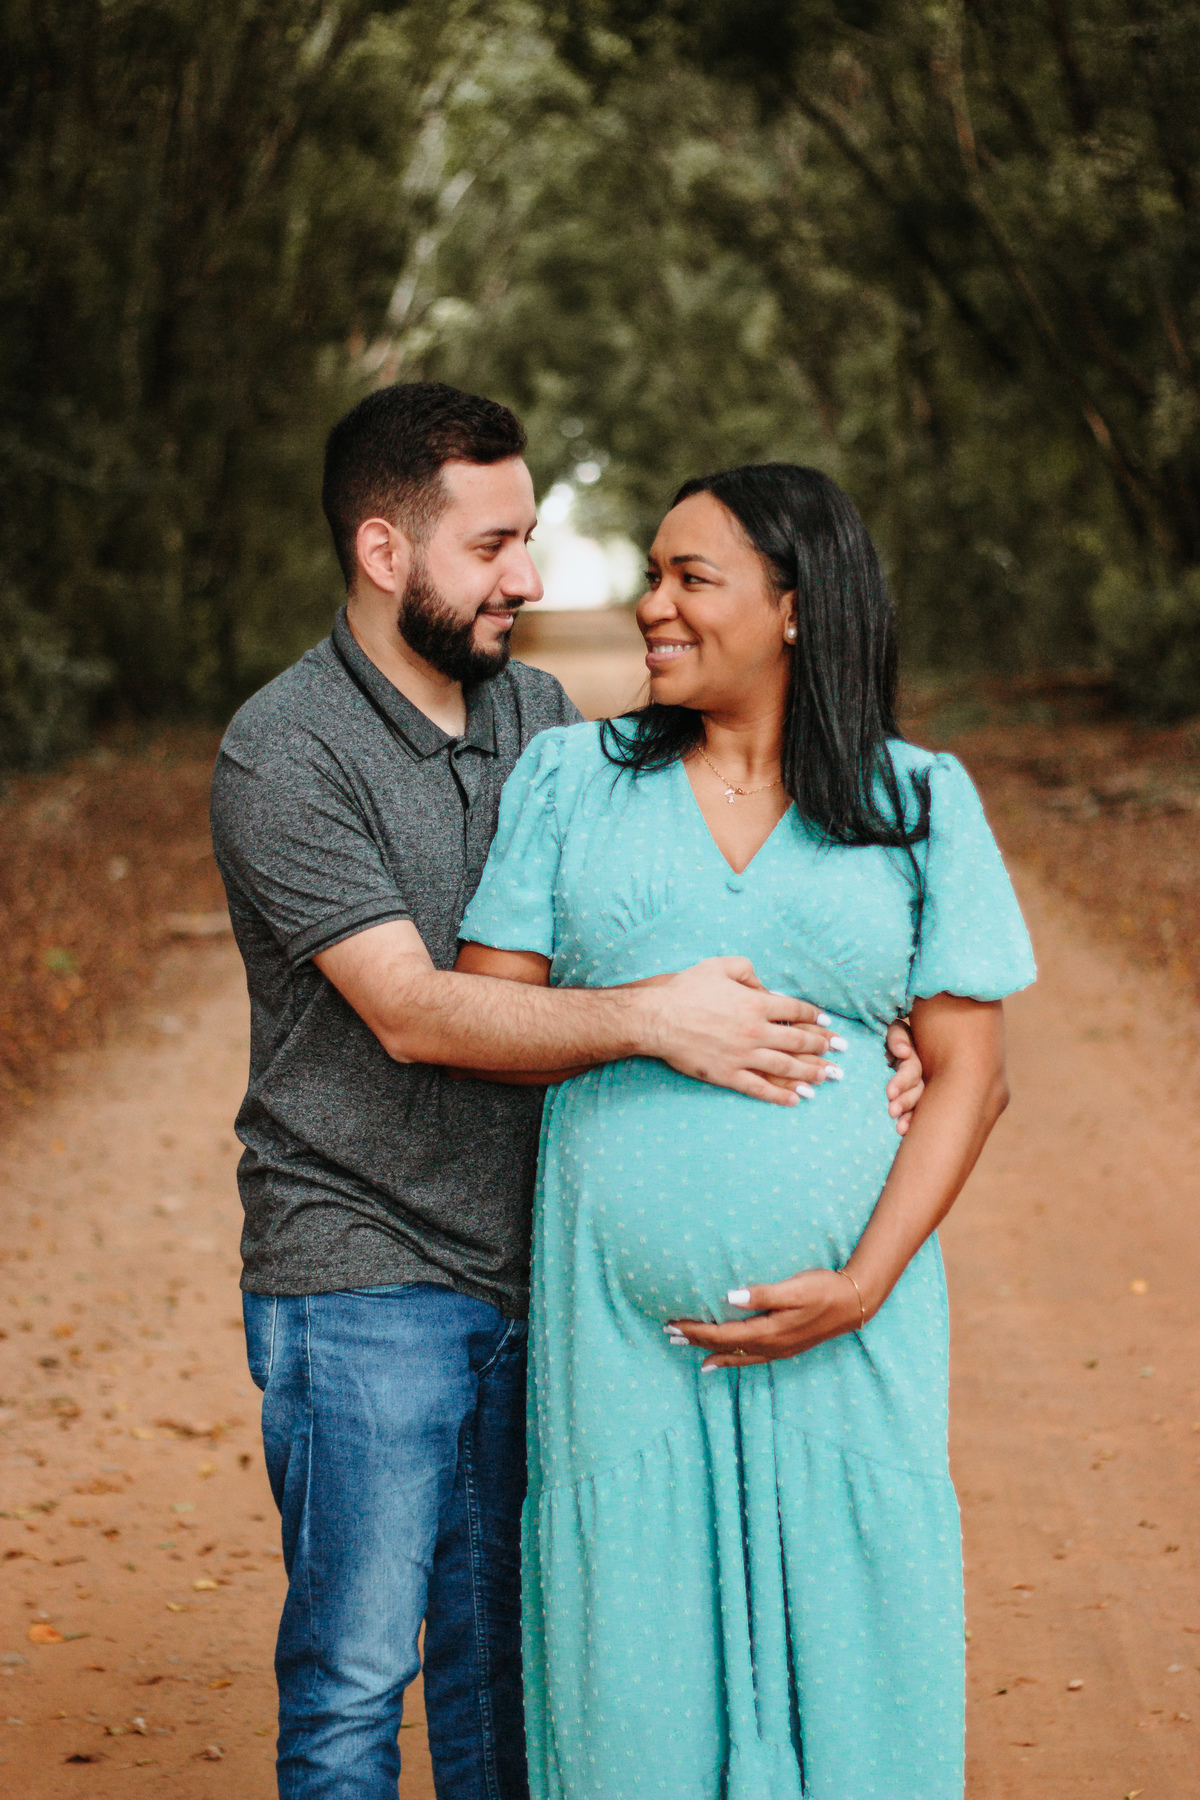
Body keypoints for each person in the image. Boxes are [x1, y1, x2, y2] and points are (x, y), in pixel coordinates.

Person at [209, 387, 926, 1800]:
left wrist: (879, 1028)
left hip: (534, 1276)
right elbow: (414, 1012)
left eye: (529, 537)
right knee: (358, 1682)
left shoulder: (538, 712)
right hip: (361, 1274)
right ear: (382, 551)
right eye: (492, 546)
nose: (529, 578)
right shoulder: (282, 752)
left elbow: (663, 892)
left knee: (514, 1675)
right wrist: (656, 1019)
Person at [456, 462, 1037, 1800]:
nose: (651, 606)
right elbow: (489, 1019)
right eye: (652, 574)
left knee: (858, 1660)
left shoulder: (916, 802)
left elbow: (970, 1073)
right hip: (620, 1347)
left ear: (793, 605)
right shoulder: (572, 780)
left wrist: (863, 1281)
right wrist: (646, 1017)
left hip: (858, 1335)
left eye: (688, 578)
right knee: (632, 1693)